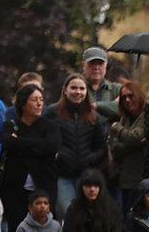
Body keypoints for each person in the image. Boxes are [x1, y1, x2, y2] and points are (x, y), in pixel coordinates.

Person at [0, 83, 60, 232]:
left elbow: (51, 146)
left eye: (41, 99)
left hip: (43, 184)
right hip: (15, 186)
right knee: (16, 226)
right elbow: (8, 141)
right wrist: (36, 146)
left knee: (46, 223)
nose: (39, 103)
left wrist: (21, 144)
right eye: (34, 100)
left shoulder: (49, 125)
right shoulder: (12, 124)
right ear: (23, 103)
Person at [45, 72, 106, 212]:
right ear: (65, 90)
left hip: (85, 178)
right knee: (69, 213)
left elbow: (101, 147)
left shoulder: (92, 116)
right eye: (73, 88)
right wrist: (58, 156)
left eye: (82, 88)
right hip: (62, 176)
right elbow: (43, 142)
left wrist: (89, 159)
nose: (77, 92)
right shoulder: (52, 113)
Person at [108, 80, 148, 213]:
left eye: (131, 96)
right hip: (123, 178)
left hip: (140, 177)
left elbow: (134, 138)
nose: (127, 100)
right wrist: (131, 140)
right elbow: (116, 147)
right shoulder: (125, 118)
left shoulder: (146, 116)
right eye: (124, 97)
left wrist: (117, 128)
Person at [80, 46, 120, 121]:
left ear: (106, 65)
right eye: (92, 63)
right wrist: (111, 106)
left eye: (100, 63)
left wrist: (96, 106)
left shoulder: (117, 89)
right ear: (83, 65)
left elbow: (125, 109)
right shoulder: (76, 88)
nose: (96, 67)